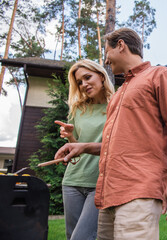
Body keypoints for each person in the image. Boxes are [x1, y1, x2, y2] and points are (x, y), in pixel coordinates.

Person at [54, 27, 167, 240]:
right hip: (108, 195)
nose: (106, 61)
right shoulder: (118, 95)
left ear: (121, 45)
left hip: (139, 190)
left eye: (107, 53)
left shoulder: (159, 75)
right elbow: (115, 146)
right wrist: (82, 146)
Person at [54, 59, 115, 240]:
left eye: (87, 77)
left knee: (81, 238)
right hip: (72, 181)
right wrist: (70, 136)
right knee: (72, 236)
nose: (84, 84)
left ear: (102, 76)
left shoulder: (117, 105)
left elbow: (120, 146)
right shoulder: (78, 108)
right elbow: (77, 147)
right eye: (79, 82)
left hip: (99, 182)